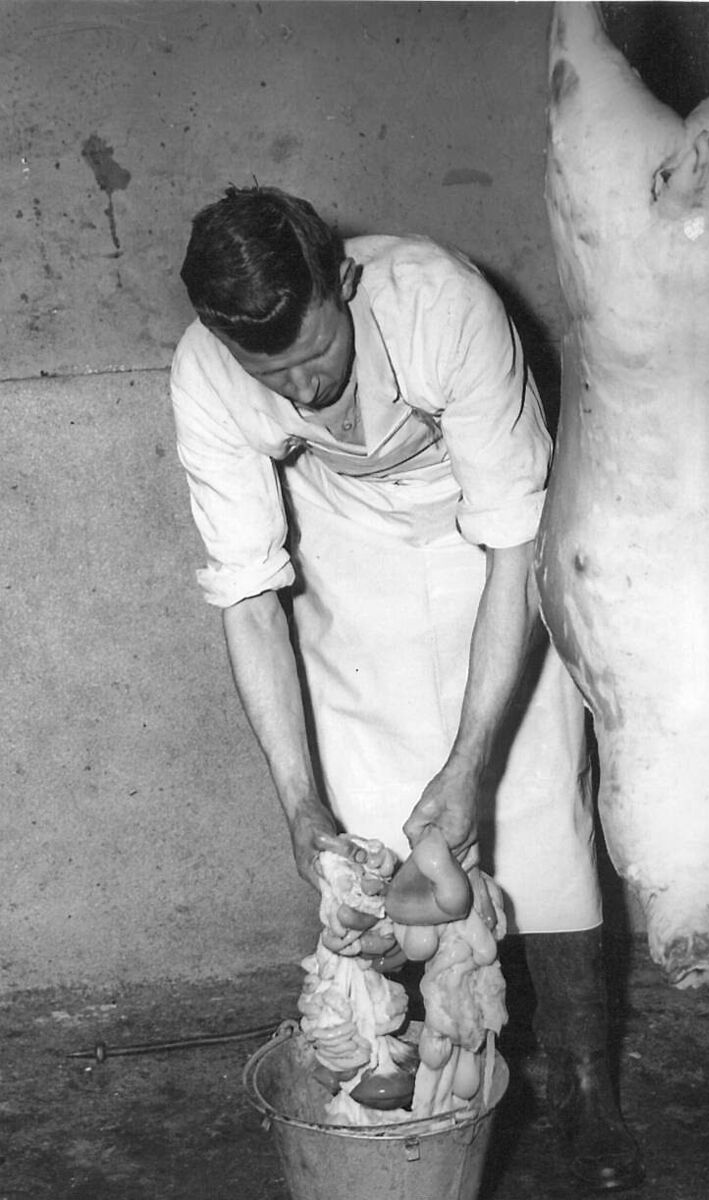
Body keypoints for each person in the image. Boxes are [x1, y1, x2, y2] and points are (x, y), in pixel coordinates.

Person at [170, 185, 644, 1192]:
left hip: (490, 536)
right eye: (272, 372)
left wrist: (472, 759)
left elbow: (515, 539)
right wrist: (297, 802)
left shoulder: (442, 303)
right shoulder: (205, 372)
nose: (304, 388)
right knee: (373, 842)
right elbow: (247, 598)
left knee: (537, 807)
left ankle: (586, 1087)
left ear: (343, 281)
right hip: (350, 548)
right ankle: (412, 1073)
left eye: (315, 353)